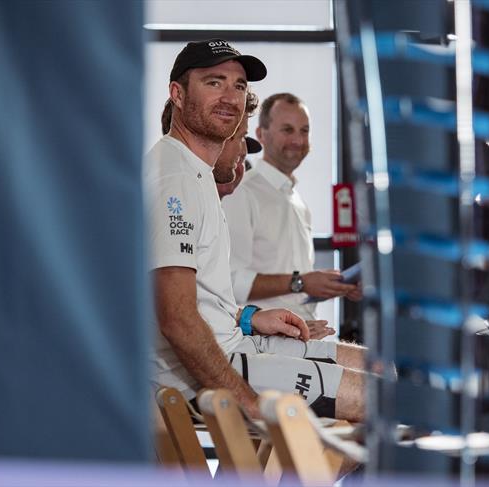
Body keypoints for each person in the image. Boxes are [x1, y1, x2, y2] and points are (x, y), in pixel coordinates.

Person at [145, 39, 367, 421]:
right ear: (177, 94)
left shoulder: (193, 173)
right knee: (380, 397)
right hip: (201, 374)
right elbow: (176, 319)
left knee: (380, 370)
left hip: (234, 344)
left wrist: (247, 317)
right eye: (214, 82)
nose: (230, 96)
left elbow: (202, 298)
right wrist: (244, 398)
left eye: (239, 85)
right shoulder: (175, 177)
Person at [222, 93, 362, 323]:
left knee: (379, 359)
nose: (297, 140)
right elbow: (230, 283)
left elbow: (295, 290)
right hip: (262, 342)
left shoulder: (297, 201)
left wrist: (334, 287)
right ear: (260, 134)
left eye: (304, 131)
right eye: (287, 130)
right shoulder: (241, 193)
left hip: (302, 334)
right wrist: (302, 282)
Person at [160, 93, 261, 199]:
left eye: (243, 137)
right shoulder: (169, 195)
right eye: (235, 136)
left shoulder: (202, 199)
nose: (244, 152)